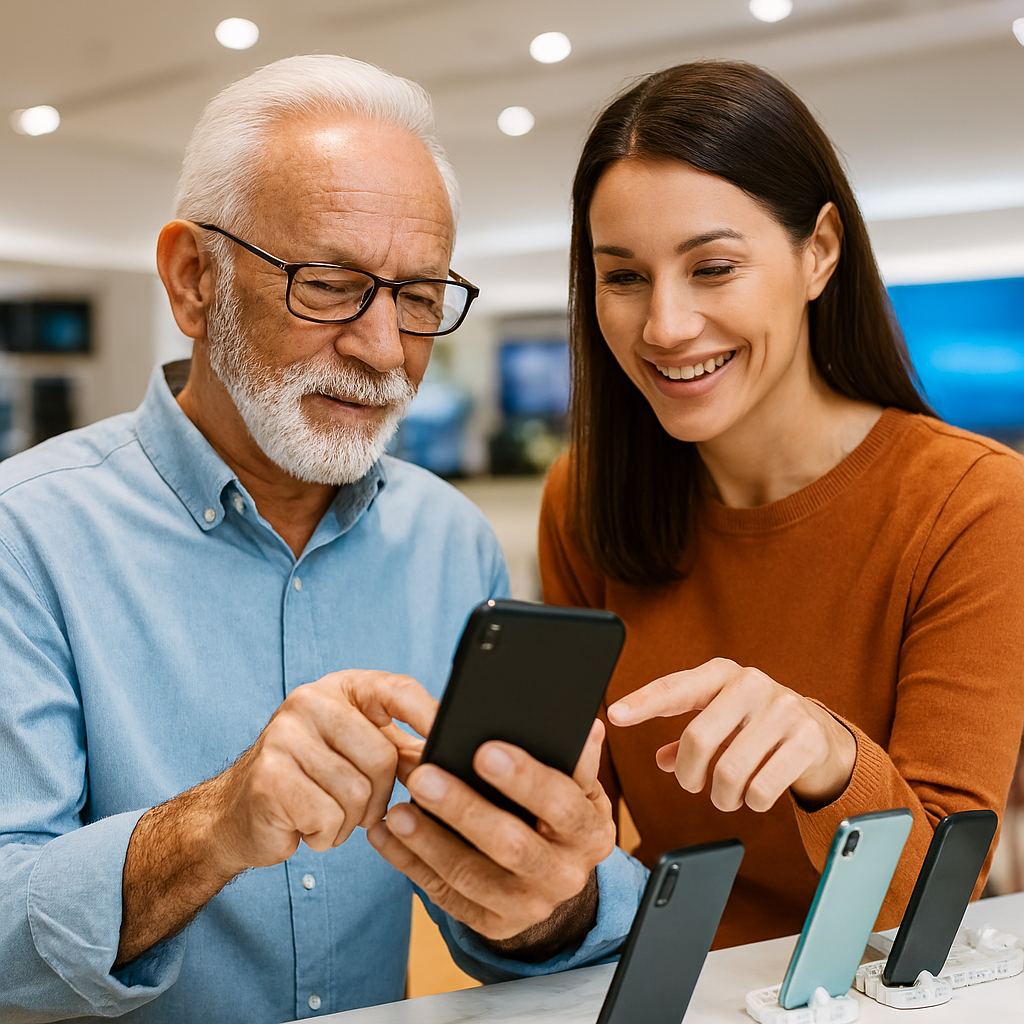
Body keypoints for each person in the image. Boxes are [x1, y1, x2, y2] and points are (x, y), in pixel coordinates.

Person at [0, 55, 644, 1024]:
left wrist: (548, 892)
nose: (384, 349)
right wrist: (218, 824)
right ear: (191, 279)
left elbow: (506, 922)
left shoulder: (448, 539)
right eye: (332, 283)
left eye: (420, 296)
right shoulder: (28, 531)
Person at [539, 60, 1024, 949]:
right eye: (624, 277)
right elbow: (578, 847)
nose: (665, 328)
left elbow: (932, 905)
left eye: (712, 267)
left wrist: (831, 759)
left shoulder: (975, 503)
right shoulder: (584, 498)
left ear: (819, 251)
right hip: (664, 984)